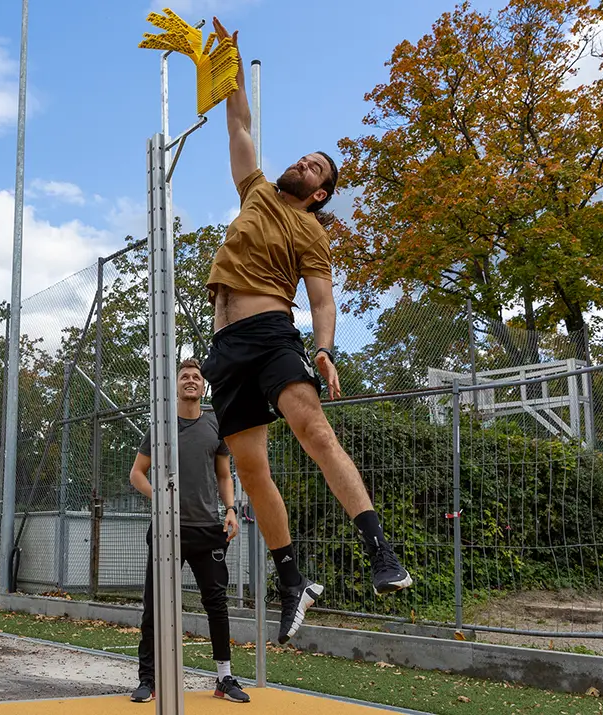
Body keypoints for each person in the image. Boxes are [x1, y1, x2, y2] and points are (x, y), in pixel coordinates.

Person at [198, 17, 413, 646]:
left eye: (315, 166)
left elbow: (323, 299)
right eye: (304, 156)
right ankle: (294, 581)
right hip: (225, 348)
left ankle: (379, 550)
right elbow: (239, 124)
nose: (303, 163)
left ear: (321, 194)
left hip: (272, 332)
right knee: (252, 469)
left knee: (314, 431)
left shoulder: (313, 233)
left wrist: (323, 347)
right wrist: (226, 61)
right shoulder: (256, 192)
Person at [128, 358, 250, 705]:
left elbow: (225, 476)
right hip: (167, 529)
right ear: (177, 385)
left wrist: (230, 510)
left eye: (197, 377)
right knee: (155, 606)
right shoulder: (161, 427)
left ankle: (224, 678)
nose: (191, 381)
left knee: (216, 604)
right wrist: (160, 499)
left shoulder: (215, 426)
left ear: (203, 386)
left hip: (207, 528)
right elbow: (137, 474)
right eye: (185, 376)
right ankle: (147, 679)